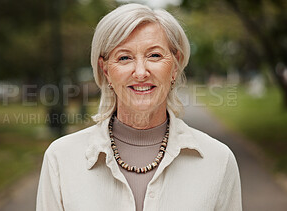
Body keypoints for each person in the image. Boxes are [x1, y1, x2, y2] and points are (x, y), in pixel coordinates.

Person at [37, 3, 241, 211]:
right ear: (105, 70)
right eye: (124, 57)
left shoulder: (219, 160)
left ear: (175, 65)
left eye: (154, 55)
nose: (141, 72)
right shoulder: (60, 160)